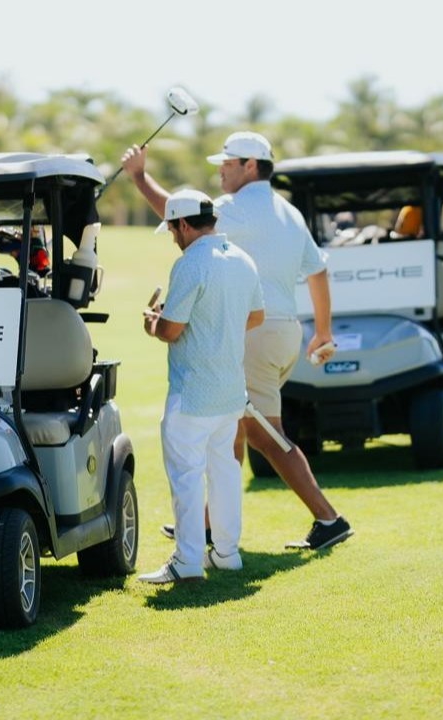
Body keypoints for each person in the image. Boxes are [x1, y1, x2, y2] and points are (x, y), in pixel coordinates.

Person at [121, 131, 354, 551]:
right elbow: (317, 271)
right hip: (284, 332)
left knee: (265, 433)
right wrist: (323, 330)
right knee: (236, 427)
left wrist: (140, 178)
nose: (221, 171)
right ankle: (210, 523)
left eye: (227, 164)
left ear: (250, 166)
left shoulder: (232, 210)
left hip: (255, 334)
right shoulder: (289, 212)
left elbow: (181, 216)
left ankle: (329, 518)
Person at [137, 189, 265, 584]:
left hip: (192, 392)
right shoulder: (242, 259)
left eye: (174, 228)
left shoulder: (191, 263)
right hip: (229, 390)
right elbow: (256, 317)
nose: (174, 237)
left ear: (186, 224)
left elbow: (172, 330)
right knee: (224, 473)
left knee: (187, 477)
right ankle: (226, 553)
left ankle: (188, 561)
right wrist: (215, 329)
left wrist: (152, 322)